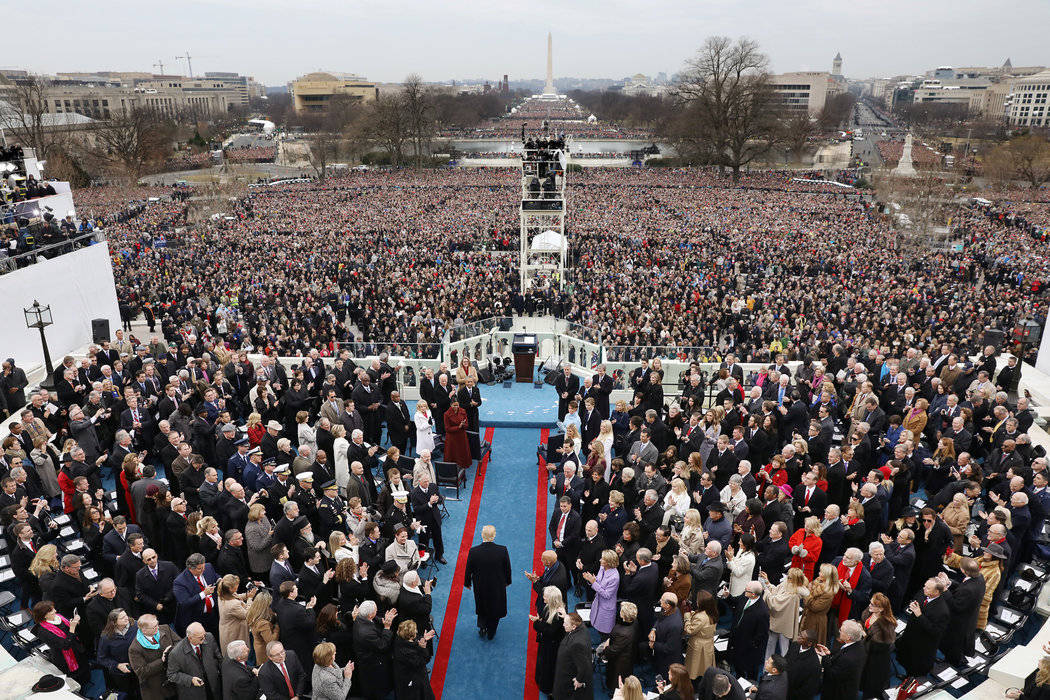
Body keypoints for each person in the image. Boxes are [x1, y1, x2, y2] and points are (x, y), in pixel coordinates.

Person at [896, 578, 950, 691]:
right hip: (910, 635)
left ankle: (909, 684)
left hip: (921, 645)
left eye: (928, 588)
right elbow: (915, 599)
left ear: (936, 592)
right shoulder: (923, 592)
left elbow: (936, 632)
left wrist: (919, 615)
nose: (924, 588)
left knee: (914, 668)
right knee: (905, 659)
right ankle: (906, 676)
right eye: (925, 585)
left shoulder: (942, 611)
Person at [463, 524, 512, 639]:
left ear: (482, 535)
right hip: (497, 585)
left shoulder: (474, 551)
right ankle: (491, 631)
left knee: (481, 604)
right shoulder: (502, 550)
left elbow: (468, 569)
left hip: (480, 585)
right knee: (495, 606)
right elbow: (507, 568)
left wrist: (467, 583)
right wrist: (508, 581)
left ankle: (482, 626)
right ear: (494, 535)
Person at [31, 600, 90, 685]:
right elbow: (65, 645)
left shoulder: (58, 617)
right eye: (51, 611)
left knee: (84, 665)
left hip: (76, 647)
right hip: (65, 657)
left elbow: (70, 630)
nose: (55, 611)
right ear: (44, 615)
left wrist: (75, 623)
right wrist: (72, 628)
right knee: (79, 677)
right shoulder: (43, 631)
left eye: (53, 608)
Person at [128, 613, 181, 700]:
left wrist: (170, 651)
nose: (158, 627)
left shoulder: (166, 628)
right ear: (144, 630)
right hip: (157, 689)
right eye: (154, 627)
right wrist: (162, 660)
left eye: (157, 624)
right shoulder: (134, 648)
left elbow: (179, 642)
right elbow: (141, 672)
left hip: (174, 681)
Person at [165, 621, 222, 700]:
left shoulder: (209, 637)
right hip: (194, 692)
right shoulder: (175, 653)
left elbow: (218, 657)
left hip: (213, 686)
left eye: (204, 635)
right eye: (200, 638)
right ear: (190, 638)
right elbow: (171, 675)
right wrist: (190, 680)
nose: (204, 639)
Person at [815, 619, 866, 700]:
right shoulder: (858, 645)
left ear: (849, 637)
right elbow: (843, 653)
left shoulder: (848, 658)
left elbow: (831, 675)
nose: (839, 632)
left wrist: (824, 657)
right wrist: (830, 653)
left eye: (841, 630)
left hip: (838, 693)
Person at [728, 580, 769, 680]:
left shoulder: (762, 612)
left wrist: (749, 644)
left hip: (749, 649)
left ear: (753, 594)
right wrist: (728, 596)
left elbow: (761, 635)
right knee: (737, 667)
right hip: (737, 641)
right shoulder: (746, 596)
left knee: (751, 673)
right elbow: (736, 601)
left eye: (746, 590)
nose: (744, 591)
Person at [860, 592, 896, 700]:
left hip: (876, 661)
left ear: (880, 609)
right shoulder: (869, 612)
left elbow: (877, 647)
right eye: (870, 602)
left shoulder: (886, 625)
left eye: (872, 604)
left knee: (870, 688)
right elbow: (863, 622)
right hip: (865, 654)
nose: (869, 605)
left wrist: (863, 634)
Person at [97, 607, 138, 695]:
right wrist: (117, 665)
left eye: (126, 615)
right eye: (122, 618)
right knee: (128, 693)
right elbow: (101, 658)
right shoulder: (106, 637)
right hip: (122, 673)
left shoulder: (136, 625)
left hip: (139, 667)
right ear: (114, 622)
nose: (126, 618)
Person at [552, 612, 593, 699]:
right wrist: (566, 616)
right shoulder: (581, 627)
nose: (563, 625)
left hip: (568, 677)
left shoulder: (577, 644)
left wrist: (579, 680)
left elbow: (584, 665)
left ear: (574, 627)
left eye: (565, 623)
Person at [217, 573, 255, 653]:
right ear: (230, 588)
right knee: (239, 655)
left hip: (227, 630)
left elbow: (236, 596)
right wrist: (250, 599)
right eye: (236, 586)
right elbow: (247, 614)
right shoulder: (233, 604)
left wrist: (247, 595)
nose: (238, 586)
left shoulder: (222, 594)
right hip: (234, 634)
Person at [651, 592, 684, 678]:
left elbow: (670, 648)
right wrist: (653, 629)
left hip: (668, 660)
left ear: (668, 605)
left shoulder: (675, 625)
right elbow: (660, 619)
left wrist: (654, 645)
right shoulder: (672, 609)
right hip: (661, 654)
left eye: (661, 600)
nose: (659, 601)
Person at [246, 589, 280, 667]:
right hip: (264, 652)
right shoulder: (262, 623)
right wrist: (277, 627)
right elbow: (271, 641)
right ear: (265, 606)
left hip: (257, 646)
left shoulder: (254, 613)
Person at [443, 399, 471, 469]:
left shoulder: (463, 411)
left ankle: (463, 464)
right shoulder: (446, 414)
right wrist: (459, 427)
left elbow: (467, 424)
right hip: (452, 437)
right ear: (451, 405)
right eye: (454, 405)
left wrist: (463, 425)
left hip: (462, 436)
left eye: (457, 405)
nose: (456, 407)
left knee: (462, 451)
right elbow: (447, 429)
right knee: (453, 453)